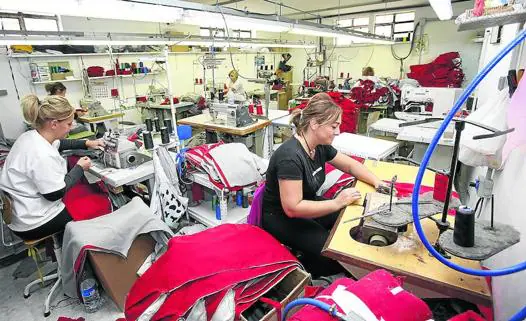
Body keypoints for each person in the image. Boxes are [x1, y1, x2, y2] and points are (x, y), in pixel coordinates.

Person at [261, 93, 389, 277]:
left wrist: (377, 182)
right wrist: (338, 202)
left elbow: (350, 165)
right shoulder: (290, 157)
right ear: (314, 124)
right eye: (334, 126)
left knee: (352, 220)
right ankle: (298, 265)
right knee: (336, 258)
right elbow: (292, 208)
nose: (337, 132)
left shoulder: (319, 145)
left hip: (308, 203)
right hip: (282, 217)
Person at [0, 95, 104, 240]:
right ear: (54, 124)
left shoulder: (32, 136)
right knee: (100, 205)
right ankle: (87, 253)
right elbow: (55, 194)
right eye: (68, 124)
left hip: (22, 210)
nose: (71, 127)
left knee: (83, 192)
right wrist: (79, 168)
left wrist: (88, 143)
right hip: (34, 222)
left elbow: (61, 143)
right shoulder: (41, 153)